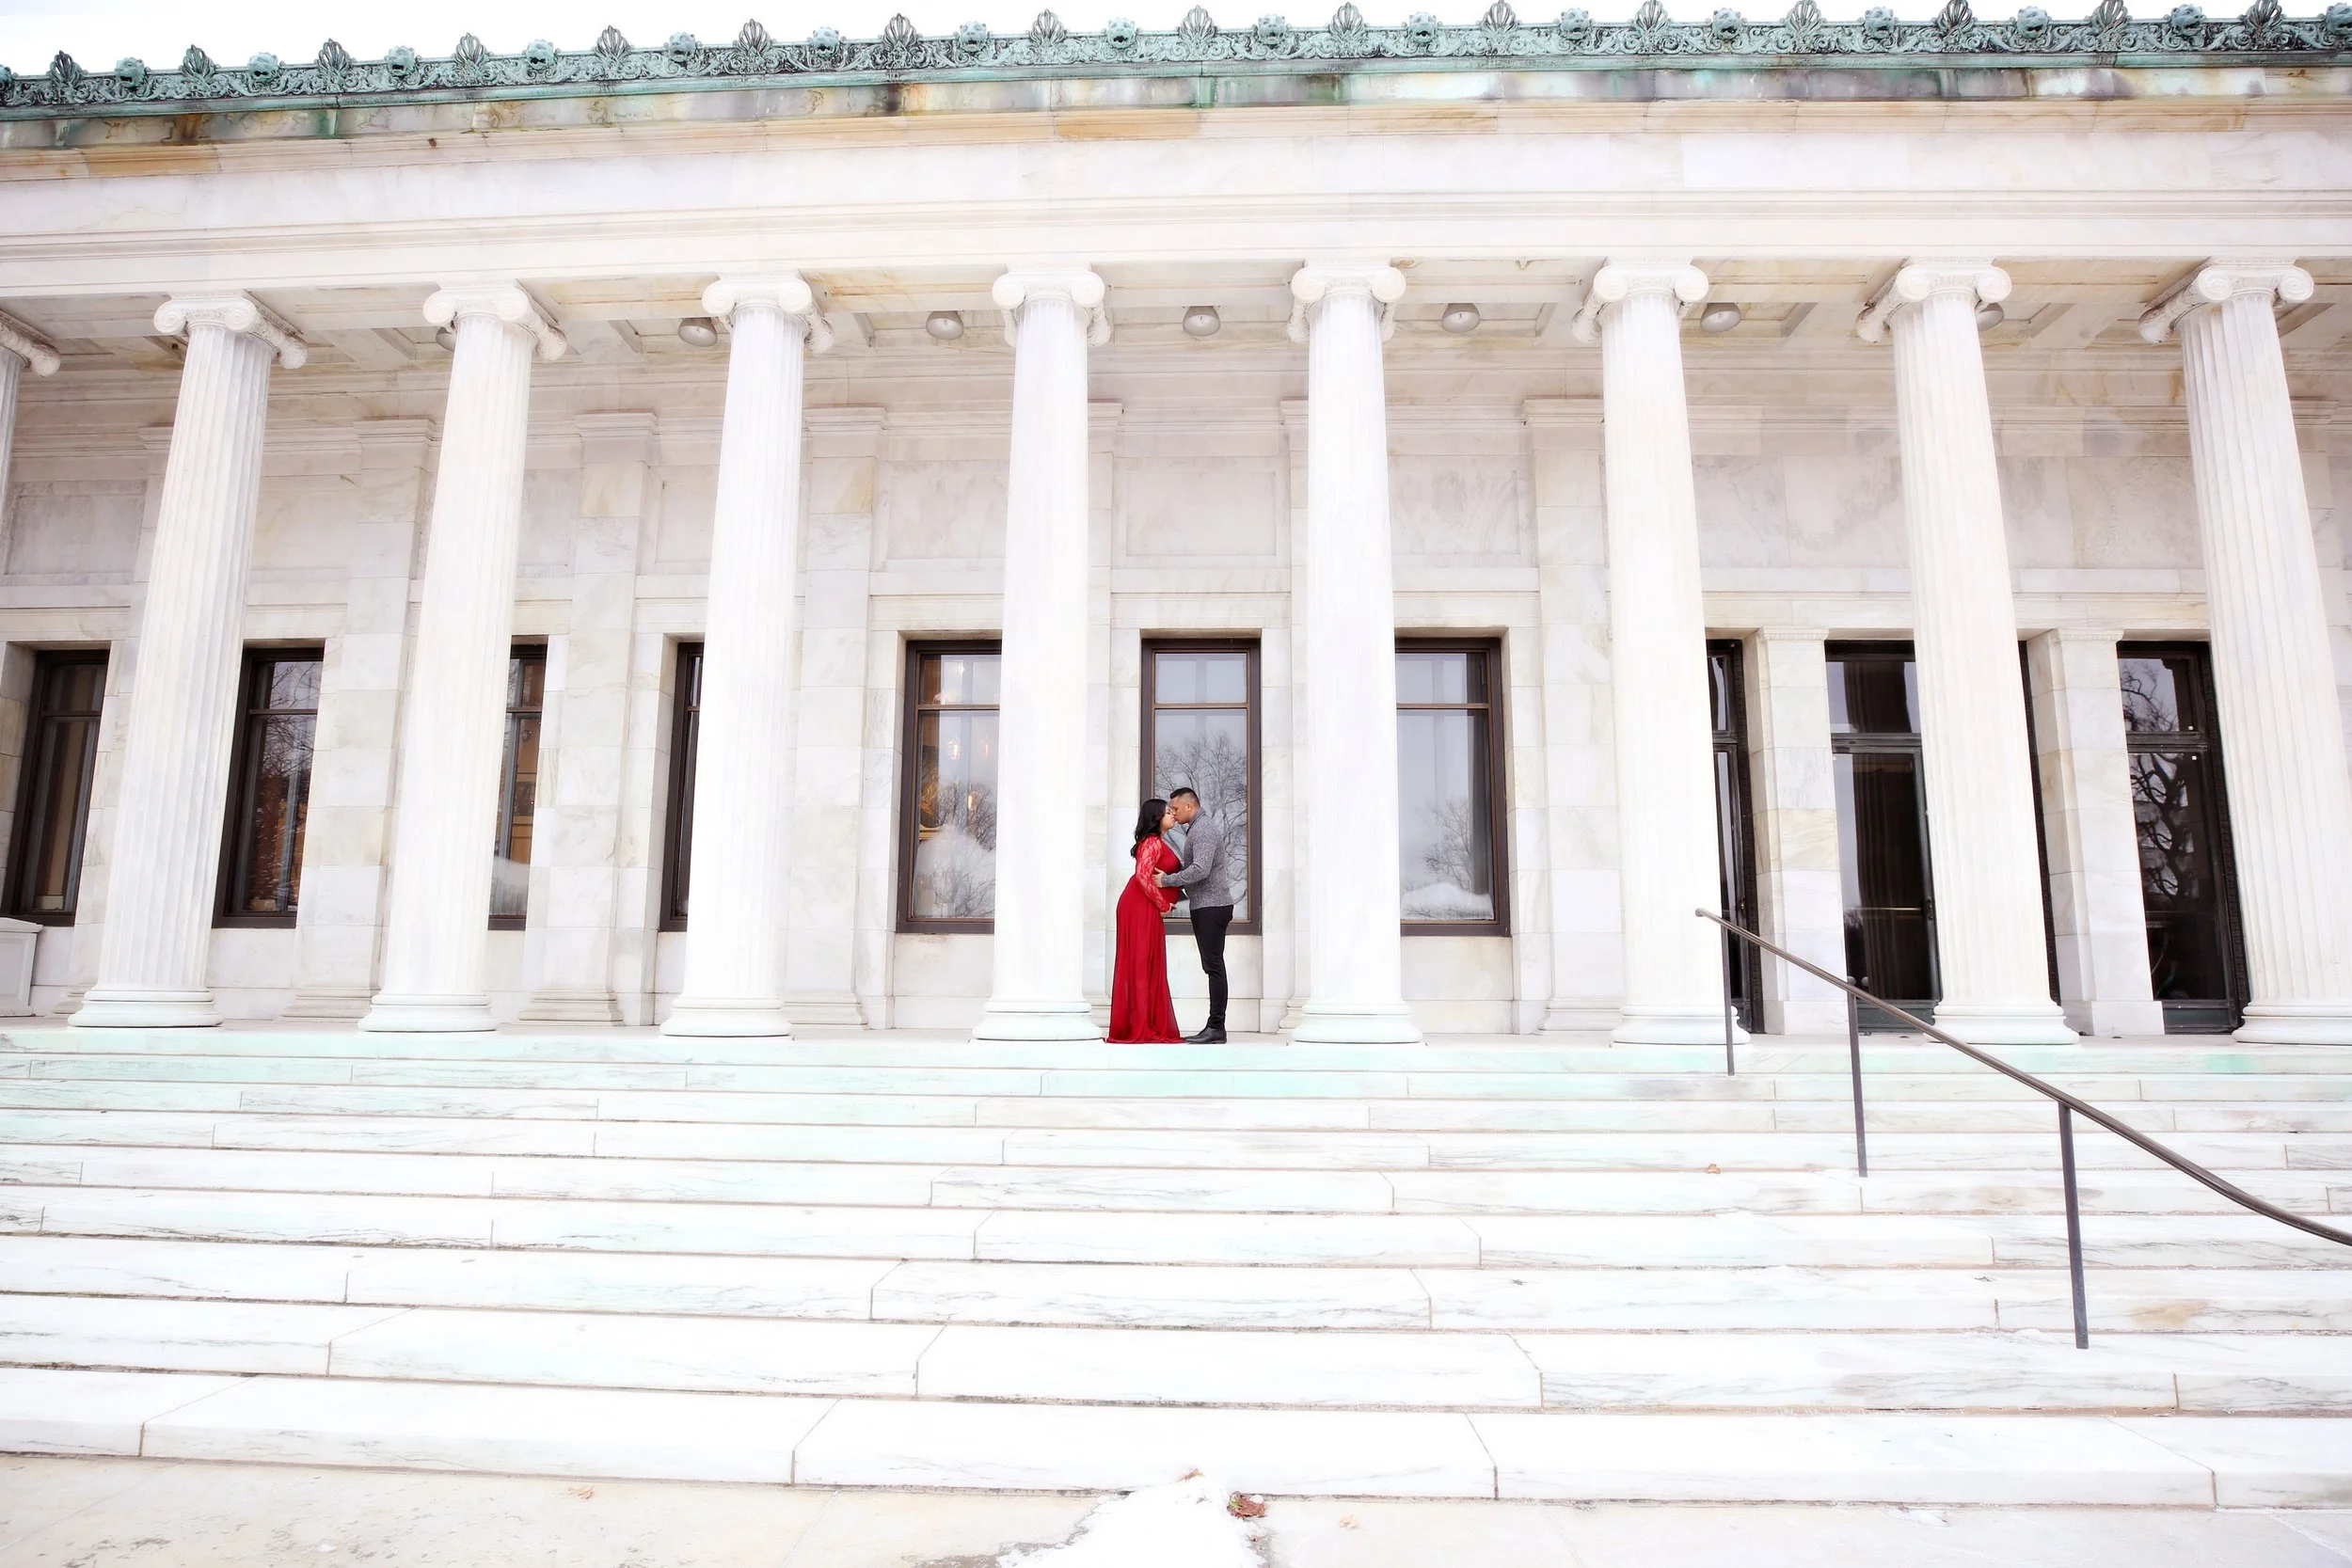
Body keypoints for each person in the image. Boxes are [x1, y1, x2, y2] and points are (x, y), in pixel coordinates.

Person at [1157, 786, 1232, 1043]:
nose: (1174, 814)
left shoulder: (1203, 830)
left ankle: (1216, 1028)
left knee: (1214, 967)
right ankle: (1214, 1027)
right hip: (1206, 905)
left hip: (1212, 906)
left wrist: (1167, 882)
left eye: (1176, 809)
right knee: (1212, 966)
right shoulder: (1198, 829)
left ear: (1189, 806)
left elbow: (1200, 869)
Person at [1108, 797, 1184, 1045]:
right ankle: (1139, 1026)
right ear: (1156, 818)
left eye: (1173, 811)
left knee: (1148, 962)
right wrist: (1163, 904)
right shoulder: (1151, 841)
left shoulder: (1158, 841)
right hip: (1139, 905)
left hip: (1144, 904)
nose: (1172, 814)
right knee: (1141, 963)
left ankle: (1146, 1022)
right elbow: (1142, 876)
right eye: (1168, 812)